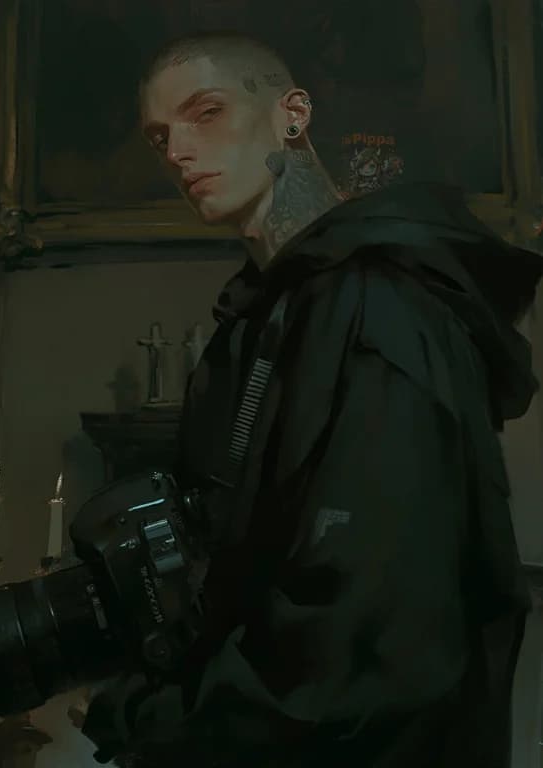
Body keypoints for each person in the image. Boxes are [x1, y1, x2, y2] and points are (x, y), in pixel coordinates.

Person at [80, 30, 543, 768]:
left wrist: (158, 721)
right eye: (160, 137)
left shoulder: (380, 307)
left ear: (292, 115)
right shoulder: (263, 320)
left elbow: (371, 629)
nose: (177, 153)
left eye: (206, 113)